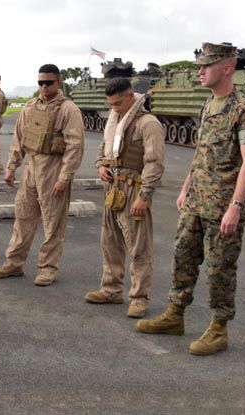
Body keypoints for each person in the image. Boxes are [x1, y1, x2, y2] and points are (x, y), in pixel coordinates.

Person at [136, 42, 245, 356]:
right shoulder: (208, 105)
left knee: (220, 268)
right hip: (196, 200)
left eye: (207, 65)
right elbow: (201, 151)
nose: (200, 71)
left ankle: (218, 329)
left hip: (223, 205)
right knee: (183, 258)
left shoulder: (244, 107)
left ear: (227, 67)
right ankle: (175, 315)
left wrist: (235, 205)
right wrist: (185, 187)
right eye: (200, 65)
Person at [0, 64, 84, 286]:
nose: (43, 86)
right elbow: (19, 138)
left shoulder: (68, 110)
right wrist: (12, 167)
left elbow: (75, 146)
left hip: (53, 168)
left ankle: (48, 268)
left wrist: (64, 177)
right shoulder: (30, 106)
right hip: (31, 166)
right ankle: (14, 262)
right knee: (23, 216)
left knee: (53, 221)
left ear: (58, 83)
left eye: (48, 82)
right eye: (40, 82)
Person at [84, 77, 165, 318]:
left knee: (139, 247)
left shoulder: (148, 124)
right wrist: (100, 166)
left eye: (118, 103)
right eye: (111, 104)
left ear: (131, 96)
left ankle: (139, 298)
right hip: (112, 188)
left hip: (134, 190)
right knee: (110, 242)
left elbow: (155, 163)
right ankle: (111, 289)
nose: (114, 108)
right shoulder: (115, 121)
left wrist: (145, 195)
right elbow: (103, 149)